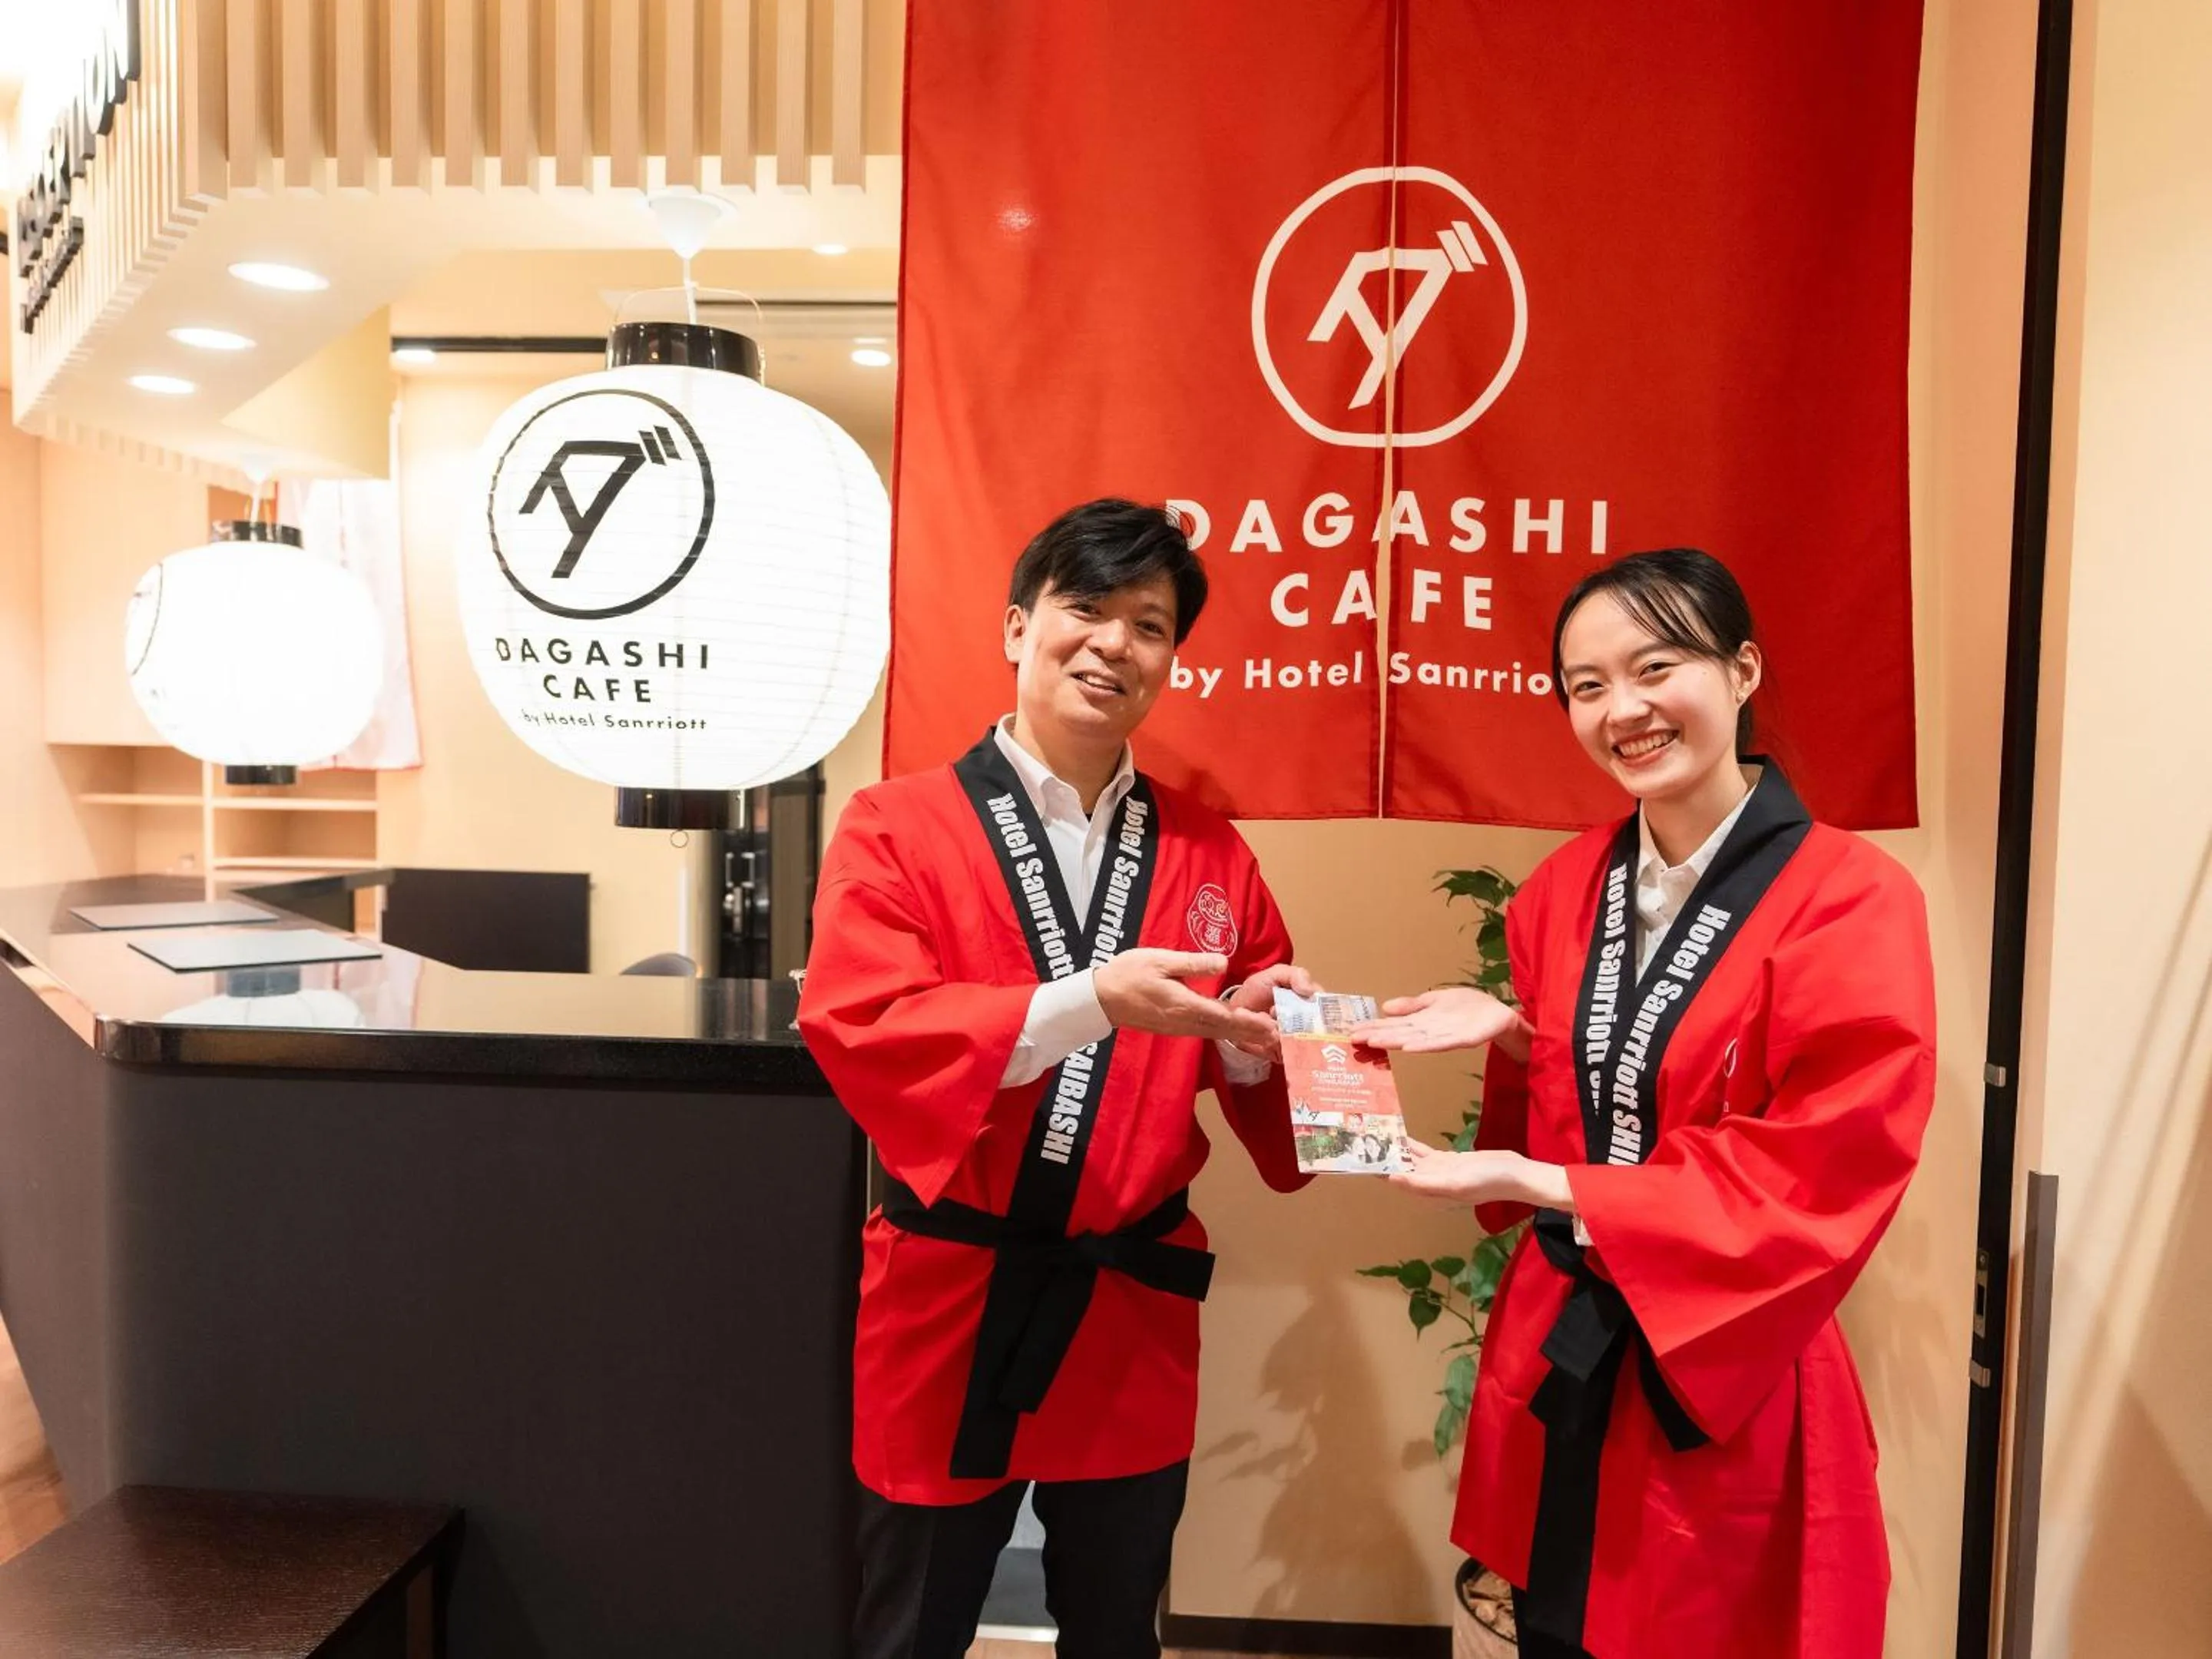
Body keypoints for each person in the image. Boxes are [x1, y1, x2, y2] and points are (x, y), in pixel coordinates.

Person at [1353, 548, 1936, 1659]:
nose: (1623, 709)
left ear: (1743, 669)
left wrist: (1540, 1182)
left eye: (1654, 666)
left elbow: (1821, 1164)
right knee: (1558, 1626)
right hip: (1566, 1351)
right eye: (1585, 686)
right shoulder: (1563, 891)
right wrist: (1523, 1036)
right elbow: (1614, 1092)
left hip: (1724, 1370)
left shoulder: (1854, 901)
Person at [798, 498, 1312, 1659]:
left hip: (1128, 1309)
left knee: (1116, 1626)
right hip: (950, 1292)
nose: (1116, 644)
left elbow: (1264, 1036)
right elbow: (863, 1024)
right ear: (1016, 627)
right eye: (1087, 608)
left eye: (1151, 625)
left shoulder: (1209, 848)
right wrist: (1093, 1001)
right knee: (910, 1627)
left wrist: (1250, 1041)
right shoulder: (895, 827)